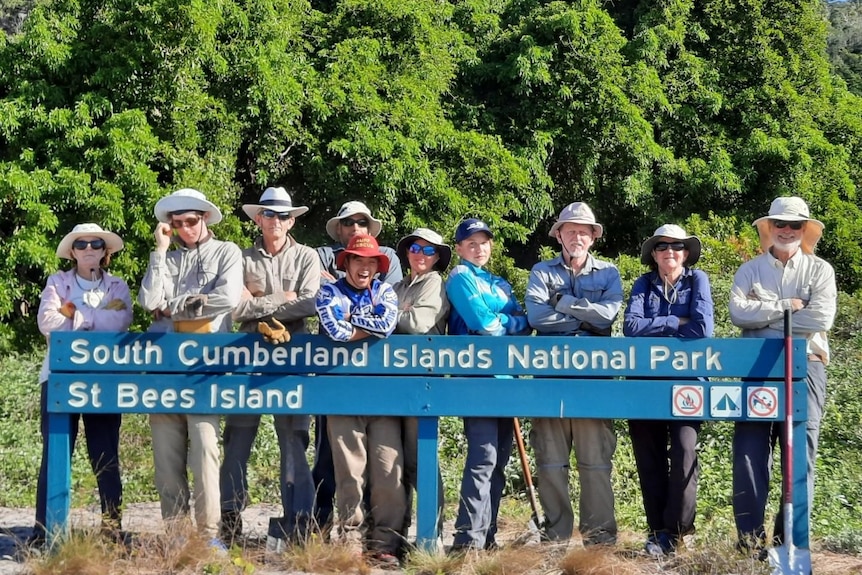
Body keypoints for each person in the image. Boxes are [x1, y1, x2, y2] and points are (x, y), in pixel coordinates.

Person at [729, 196, 836, 556]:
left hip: (807, 366)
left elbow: (820, 319)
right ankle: (748, 543)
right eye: (780, 224)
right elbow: (738, 313)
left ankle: (789, 542)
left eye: (794, 225)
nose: (787, 230)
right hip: (757, 366)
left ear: (804, 229)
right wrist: (787, 308)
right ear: (769, 228)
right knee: (748, 453)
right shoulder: (749, 270)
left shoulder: (821, 270)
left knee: (800, 454)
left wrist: (765, 314)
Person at [138, 187, 243, 548]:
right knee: (166, 463)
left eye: (191, 221)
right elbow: (150, 301)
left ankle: (209, 539)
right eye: (177, 223)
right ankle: (177, 539)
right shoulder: (165, 258)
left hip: (205, 369)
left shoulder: (227, 251)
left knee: (205, 455)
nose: (185, 228)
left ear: (204, 220)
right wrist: (160, 250)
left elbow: (227, 298)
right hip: (165, 370)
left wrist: (175, 306)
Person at [219, 187, 320, 545]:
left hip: (293, 363)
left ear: (292, 220)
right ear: (258, 219)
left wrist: (258, 302)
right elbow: (233, 309)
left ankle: (299, 521)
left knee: (294, 442)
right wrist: (281, 300)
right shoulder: (241, 258)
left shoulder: (308, 257)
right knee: (236, 441)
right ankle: (229, 518)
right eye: (268, 214)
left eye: (282, 216)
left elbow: (310, 303)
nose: (275, 221)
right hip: (247, 361)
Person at [524, 202, 622, 546]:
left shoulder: (608, 273)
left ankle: (599, 541)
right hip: (549, 379)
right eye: (570, 230)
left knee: (595, 464)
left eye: (584, 231)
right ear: (559, 235)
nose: (577, 236)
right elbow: (536, 318)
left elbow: (607, 318)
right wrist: (584, 320)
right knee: (551, 465)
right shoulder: (541, 271)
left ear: (593, 237)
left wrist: (562, 302)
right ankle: (555, 538)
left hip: (594, 383)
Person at [31, 223, 133, 548]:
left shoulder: (118, 286)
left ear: (106, 252)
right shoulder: (56, 282)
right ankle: (44, 532)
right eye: (81, 244)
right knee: (56, 455)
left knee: (106, 456)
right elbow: (47, 323)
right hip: (59, 379)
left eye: (96, 243)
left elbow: (120, 322)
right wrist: (96, 316)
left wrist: (74, 314)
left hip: (103, 379)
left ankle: (112, 531)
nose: (89, 248)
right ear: (72, 251)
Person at [622, 224, 714, 556]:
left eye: (676, 247)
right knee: (649, 459)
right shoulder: (643, 284)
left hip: (688, 384)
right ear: (654, 255)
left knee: (685, 452)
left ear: (685, 253)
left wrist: (656, 326)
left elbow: (703, 328)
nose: (670, 252)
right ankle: (657, 532)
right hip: (644, 383)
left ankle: (680, 530)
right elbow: (630, 328)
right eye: (662, 248)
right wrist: (675, 322)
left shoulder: (697, 280)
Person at [312, 200, 402, 529]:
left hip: (381, 391)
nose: (364, 267)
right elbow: (334, 331)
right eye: (357, 260)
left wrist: (353, 320)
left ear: (379, 266)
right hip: (340, 389)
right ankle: (347, 537)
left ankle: (385, 543)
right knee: (347, 473)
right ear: (346, 261)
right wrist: (367, 324)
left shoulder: (387, 292)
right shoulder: (327, 292)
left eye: (371, 262)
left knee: (388, 471)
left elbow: (388, 325)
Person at [446, 218, 530, 553]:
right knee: (482, 458)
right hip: (475, 379)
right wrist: (509, 323)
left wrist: (508, 323)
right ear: (459, 248)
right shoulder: (460, 277)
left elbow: (525, 325)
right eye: (471, 243)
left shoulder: (501, 283)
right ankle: (467, 539)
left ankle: (488, 535)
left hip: (506, 380)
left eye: (483, 242)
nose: (479, 248)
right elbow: (484, 325)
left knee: (500, 462)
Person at [391, 228, 451, 544]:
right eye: (415, 247)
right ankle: (397, 534)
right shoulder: (399, 286)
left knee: (421, 459)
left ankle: (433, 534)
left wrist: (390, 312)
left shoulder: (434, 284)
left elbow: (416, 325)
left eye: (428, 251)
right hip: (395, 383)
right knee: (395, 462)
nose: (420, 254)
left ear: (437, 257)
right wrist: (397, 312)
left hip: (423, 383)